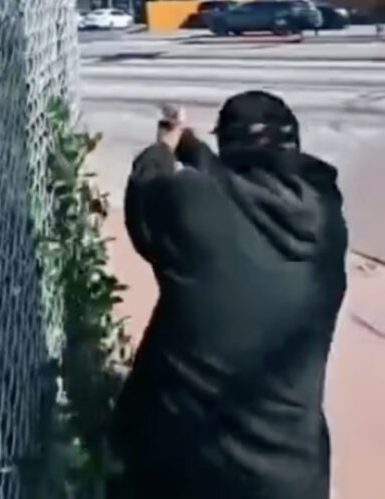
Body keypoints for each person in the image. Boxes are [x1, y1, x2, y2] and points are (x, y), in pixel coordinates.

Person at [109, 91, 347, 499]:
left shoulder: (190, 204)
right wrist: (195, 149)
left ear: (228, 147)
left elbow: (147, 192)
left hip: (186, 466)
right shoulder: (326, 222)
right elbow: (244, 195)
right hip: (293, 475)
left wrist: (166, 144)